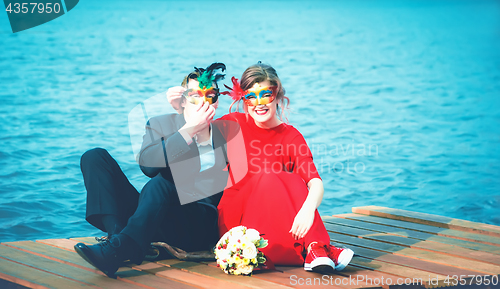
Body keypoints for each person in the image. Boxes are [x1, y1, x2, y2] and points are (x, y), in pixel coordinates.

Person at [169, 62, 354, 273]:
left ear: (277, 95)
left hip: (279, 221)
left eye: (266, 94)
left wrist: (307, 209)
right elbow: (197, 134)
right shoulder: (232, 124)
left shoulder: (291, 136)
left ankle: (315, 248)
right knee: (274, 174)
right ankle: (319, 247)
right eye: (250, 97)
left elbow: (315, 182)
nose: (259, 103)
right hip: (238, 222)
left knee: (294, 179)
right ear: (243, 99)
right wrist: (180, 107)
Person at [74, 63, 231, 278]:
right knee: (94, 157)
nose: (203, 101)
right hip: (155, 213)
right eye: (195, 95)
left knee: (161, 183)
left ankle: (119, 247)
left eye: (210, 95)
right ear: (183, 101)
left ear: (217, 100)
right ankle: (117, 239)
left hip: (196, 224)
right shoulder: (160, 124)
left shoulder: (227, 132)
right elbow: (148, 166)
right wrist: (188, 130)